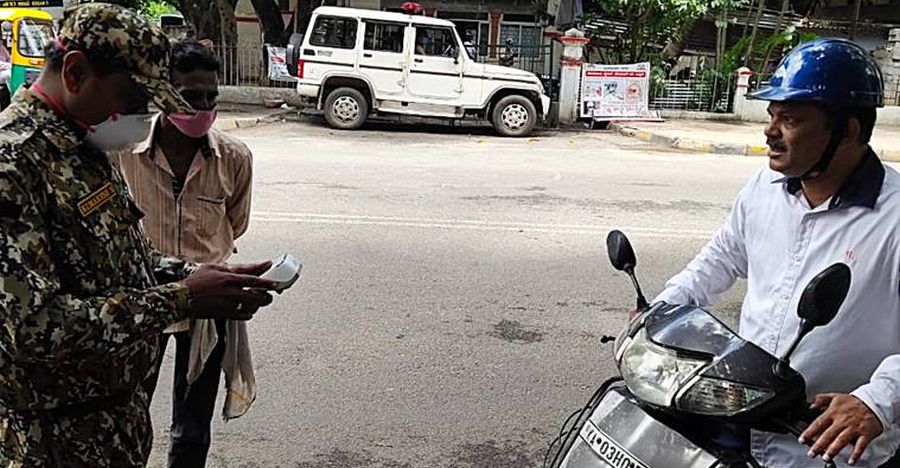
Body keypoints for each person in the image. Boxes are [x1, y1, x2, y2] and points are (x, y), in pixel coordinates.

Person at [0, 3, 277, 466]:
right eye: (131, 98)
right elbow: (32, 329)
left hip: (112, 427)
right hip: (50, 441)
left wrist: (200, 277)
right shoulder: (15, 164)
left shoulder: (83, 143)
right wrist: (180, 298)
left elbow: (120, 258)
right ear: (74, 72)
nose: (137, 114)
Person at [652, 38, 899, 467]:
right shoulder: (762, 190)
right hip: (738, 417)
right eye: (771, 115)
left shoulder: (895, 216)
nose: (770, 131)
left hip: (829, 448)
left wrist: (878, 401)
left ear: (849, 132)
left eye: (790, 118)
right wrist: (663, 307)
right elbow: (721, 257)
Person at [110, 39, 256, 467]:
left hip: (209, 300)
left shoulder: (234, 156)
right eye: (191, 96)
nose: (203, 107)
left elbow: (236, 223)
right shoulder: (122, 149)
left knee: (192, 430)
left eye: (211, 96)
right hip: (140, 299)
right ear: (162, 92)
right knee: (127, 414)